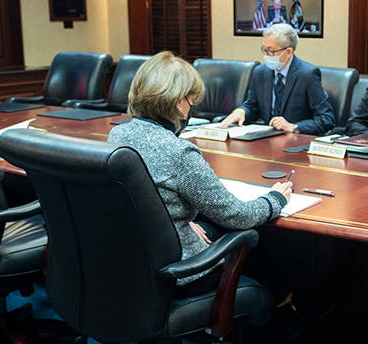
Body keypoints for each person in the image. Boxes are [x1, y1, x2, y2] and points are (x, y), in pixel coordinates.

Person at [108, 51, 290, 294]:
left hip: (130, 260)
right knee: (256, 242)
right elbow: (237, 216)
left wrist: (172, 223)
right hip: (178, 273)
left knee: (208, 225)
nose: (193, 105)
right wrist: (274, 199)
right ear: (176, 101)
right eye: (190, 98)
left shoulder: (117, 135)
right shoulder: (179, 152)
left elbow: (140, 198)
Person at [219, 24, 335, 135]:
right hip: (265, 140)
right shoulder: (260, 72)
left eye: (271, 51)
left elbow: (326, 118)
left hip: (296, 141)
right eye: (264, 50)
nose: (266, 55)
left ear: (288, 52)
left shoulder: (308, 74)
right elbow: (252, 106)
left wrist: (294, 127)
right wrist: (242, 111)